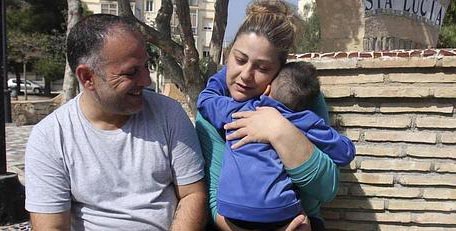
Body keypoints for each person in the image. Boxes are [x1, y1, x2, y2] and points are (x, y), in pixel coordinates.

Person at [24, 14, 207, 231]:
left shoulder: (169, 114)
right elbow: (50, 226)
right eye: (131, 72)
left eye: (146, 66)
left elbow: (193, 194)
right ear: (87, 77)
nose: (146, 80)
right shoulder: (50, 137)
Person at [195, 1, 352, 230]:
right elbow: (214, 199)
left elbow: (326, 189)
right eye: (239, 60)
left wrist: (278, 129)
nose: (246, 75)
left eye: (262, 68)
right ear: (227, 55)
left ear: (279, 71)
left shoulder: (299, 99)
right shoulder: (213, 111)